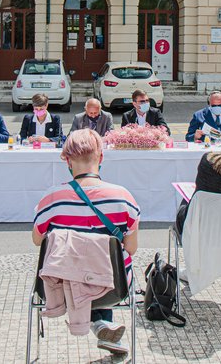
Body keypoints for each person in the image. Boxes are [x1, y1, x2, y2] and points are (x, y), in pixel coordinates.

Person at [32, 129, 140, 356]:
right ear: (100, 158)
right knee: (102, 262)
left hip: (63, 285)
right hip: (112, 285)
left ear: (67, 161)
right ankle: (102, 324)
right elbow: (131, 248)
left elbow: (37, 240)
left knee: (78, 267)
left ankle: (99, 325)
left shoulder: (52, 198)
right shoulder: (123, 197)